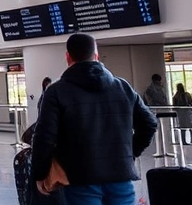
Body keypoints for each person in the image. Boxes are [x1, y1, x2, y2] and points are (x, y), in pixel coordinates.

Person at [32, 33, 158, 205]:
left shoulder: (56, 91)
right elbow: (149, 124)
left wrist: (39, 174)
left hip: (79, 178)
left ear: (67, 57)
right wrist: (130, 154)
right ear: (96, 56)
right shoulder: (123, 87)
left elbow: (44, 137)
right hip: (120, 176)